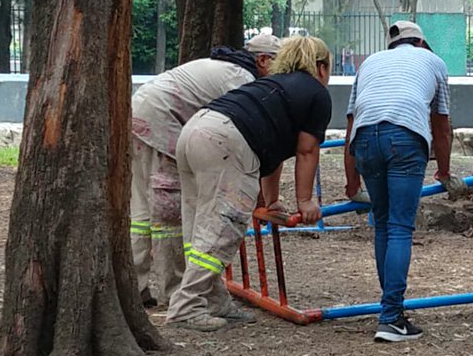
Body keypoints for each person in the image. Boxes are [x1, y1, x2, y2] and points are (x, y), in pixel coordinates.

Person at [166, 36, 332, 331]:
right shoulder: (315, 94)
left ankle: (213, 300)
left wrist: (270, 200)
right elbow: (307, 150)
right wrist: (306, 201)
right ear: (321, 67)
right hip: (227, 142)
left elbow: (275, 152)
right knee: (223, 228)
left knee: (200, 225)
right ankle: (186, 306)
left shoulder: (272, 85)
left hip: (196, 129)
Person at [129, 34, 279, 306]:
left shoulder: (223, 66)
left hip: (141, 113)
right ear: (263, 60)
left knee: (140, 211)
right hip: (162, 120)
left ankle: (134, 289)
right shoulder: (241, 79)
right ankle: (174, 291)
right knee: (169, 211)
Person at [343, 20, 464, 342]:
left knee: (382, 225)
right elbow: (441, 125)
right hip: (406, 138)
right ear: (422, 43)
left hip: (365, 141)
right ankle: (391, 316)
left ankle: (391, 312)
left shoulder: (370, 62)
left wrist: (352, 183)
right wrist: (445, 172)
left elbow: (352, 122)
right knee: (399, 227)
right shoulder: (433, 62)